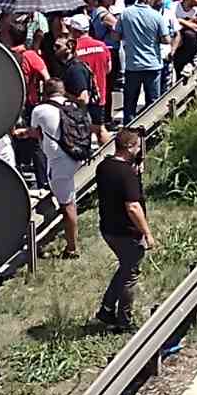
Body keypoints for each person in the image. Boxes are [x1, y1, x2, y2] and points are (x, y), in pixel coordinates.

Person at [96, 128, 152, 331]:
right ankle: (124, 319)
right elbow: (133, 207)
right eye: (137, 146)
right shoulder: (126, 173)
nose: (139, 150)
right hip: (126, 232)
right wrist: (147, 233)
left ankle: (107, 309)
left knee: (125, 268)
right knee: (130, 274)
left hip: (108, 228)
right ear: (129, 147)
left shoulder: (104, 166)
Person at [29, 80, 84, 258]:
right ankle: (71, 241)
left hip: (59, 161)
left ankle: (72, 248)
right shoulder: (73, 105)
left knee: (67, 205)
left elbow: (36, 133)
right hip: (76, 154)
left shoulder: (39, 110)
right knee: (69, 199)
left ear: (45, 92)